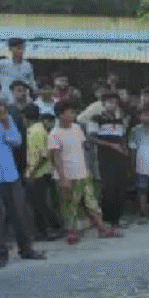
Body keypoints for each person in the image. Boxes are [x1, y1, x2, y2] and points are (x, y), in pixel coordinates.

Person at [0, 87, 46, 269]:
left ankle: (26, 249)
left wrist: (6, 125)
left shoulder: (7, 120)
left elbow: (16, 141)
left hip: (10, 175)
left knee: (20, 214)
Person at [48, 102, 119, 243]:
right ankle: (72, 231)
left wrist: (87, 169)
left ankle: (102, 228)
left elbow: (81, 150)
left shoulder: (77, 128)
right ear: (61, 115)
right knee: (70, 205)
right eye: (70, 112)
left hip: (82, 173)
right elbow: (56, 158)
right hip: (67, 175)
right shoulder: (54, 134)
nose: (73, 115)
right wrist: (63, 178)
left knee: (91, 202)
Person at [86, 92, 130, 227]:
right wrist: (111, 145)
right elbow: (91, 138)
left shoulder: (119, 119)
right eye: (109, 102)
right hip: (105, 155)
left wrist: (123, 147)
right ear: (103, 104)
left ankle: (117, 217)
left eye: (114, 102)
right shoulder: (96, 118)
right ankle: (106, 217)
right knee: (108, 186)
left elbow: (121, 136)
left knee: (120, 185)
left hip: (119, 155)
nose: (112, 105)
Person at [23, 105, 63, 240]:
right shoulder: (40, 130)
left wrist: (31, 172)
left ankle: (48, 230)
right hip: (42, 171)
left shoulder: (35, 132)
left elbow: (42, 155)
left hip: (39, 172)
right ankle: (52, 227)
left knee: (38, 204)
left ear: (25, 117)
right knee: (40, 203)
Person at [0, 38, 37, 104]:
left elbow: (32, 84)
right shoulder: (2, 63)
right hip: (6, 100)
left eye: (23, 48)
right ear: (11, 49)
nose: (21, 51)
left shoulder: (27, 66)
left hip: (23, 101)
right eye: (18, 48)